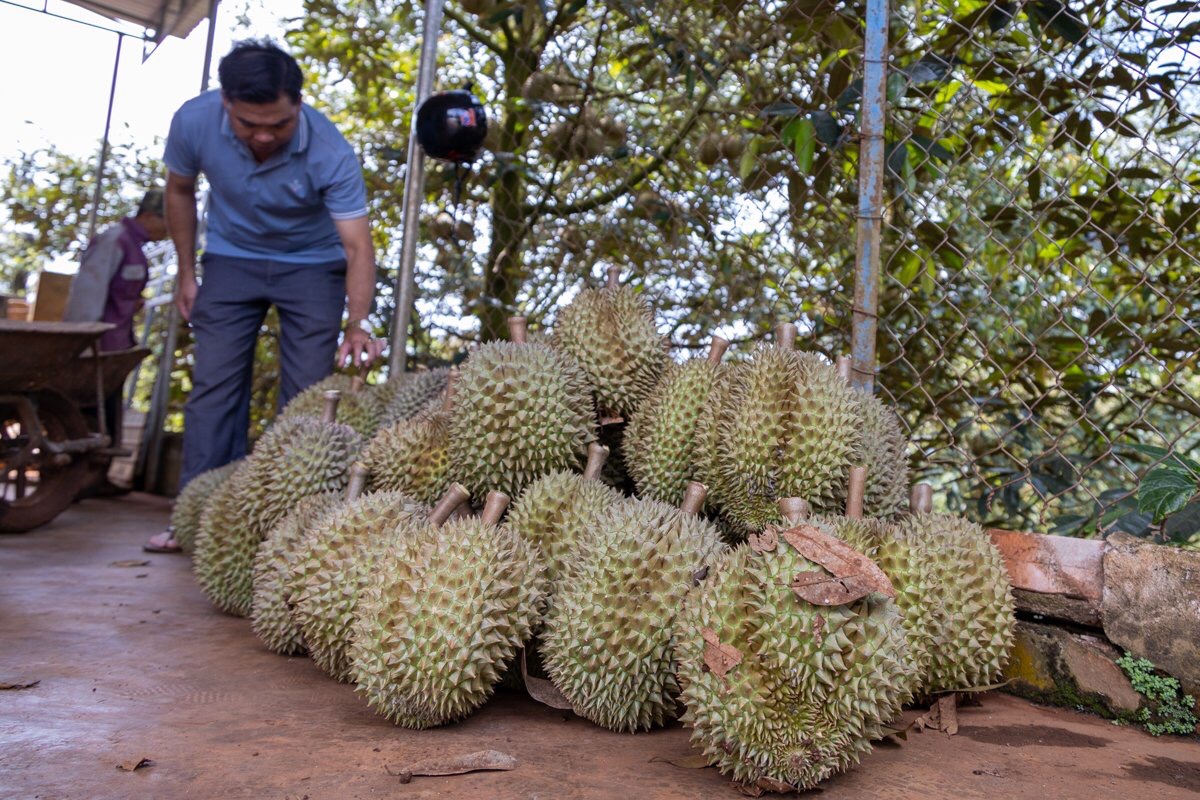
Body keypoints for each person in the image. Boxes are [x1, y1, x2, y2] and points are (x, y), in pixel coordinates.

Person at [144, 40, 384, 553]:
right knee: (214, 384)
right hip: (230, 258)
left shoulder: (330, 150)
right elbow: (179, 191)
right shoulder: (194, 122)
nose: (263, 135)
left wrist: (357, 322)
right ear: (226, 103)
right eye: (249, 123)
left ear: (297, 104)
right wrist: (187, 273)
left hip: (314, 267)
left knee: (308, 398)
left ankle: (287, 527)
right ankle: (195, 518)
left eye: (278, 124)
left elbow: (358, 245)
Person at [64, 188, 169, 445]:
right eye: (168, 221)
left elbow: (118, 293)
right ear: (149, 216)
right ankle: (82, 475)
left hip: (115, 349)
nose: (169, 230)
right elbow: (87, 296)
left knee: (108, 412)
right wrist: (83, 344)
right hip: (97, 349)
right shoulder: (114, 241)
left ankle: (100, 474)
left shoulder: (135, 247)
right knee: (88, 413)